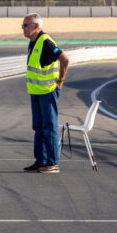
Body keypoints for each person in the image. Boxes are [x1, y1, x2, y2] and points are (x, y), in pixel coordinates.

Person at [21, 13, 69, 174]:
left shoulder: (46, 42)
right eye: (23, 25)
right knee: (39, 127)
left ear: (36, 26)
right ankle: (40, 160)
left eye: (25, 25)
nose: (23, 28)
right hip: (35, 91)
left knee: (49, 127)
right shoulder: (33, 42)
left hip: (47, 92)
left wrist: (61, 80)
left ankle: (53, 163)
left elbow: (65, 59)